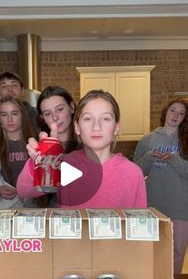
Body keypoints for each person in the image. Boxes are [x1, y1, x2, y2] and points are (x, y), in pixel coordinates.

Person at [17, 89, 147, 209]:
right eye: (88, 119)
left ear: (117, 127)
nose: (96, 127)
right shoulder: (64, 165)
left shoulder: (133, 173)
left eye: (106, 118)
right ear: (77, 127)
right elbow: (24, 191)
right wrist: (38, 163)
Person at [134, 98, 188, 275]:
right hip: (154, 204)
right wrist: (149, 157)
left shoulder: (185, 141)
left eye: (181, 113)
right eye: (173, 110)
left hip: (181, 205)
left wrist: (174, 160)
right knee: (152, 251)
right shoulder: (147, 140)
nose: (176, 116)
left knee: (178, 251)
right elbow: (136, 173)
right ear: (165, 112)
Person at [0, 71, 40, 144]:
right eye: (4, 86)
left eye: (14, 85)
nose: (10, 89)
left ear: (22, 91)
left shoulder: (38, 116)